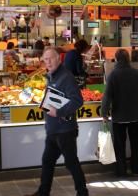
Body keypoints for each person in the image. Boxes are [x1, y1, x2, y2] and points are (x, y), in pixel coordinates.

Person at [26, 48, 88, 196]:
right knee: (47, 161)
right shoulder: (51, 76)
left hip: (65, 131)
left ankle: (82, 193)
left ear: (58, 59)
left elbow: (78, 101)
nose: (48, 62)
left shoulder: (66, 77)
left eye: (51, 59)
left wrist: (58, 112)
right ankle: (43, 192)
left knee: (71, 163)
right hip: (53, 130)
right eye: (45, 60)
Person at [101, 49, 138, 177]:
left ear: (116, 59)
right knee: (135, 144)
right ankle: (136, 170)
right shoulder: (135, 73)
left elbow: (107, 96)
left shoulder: (113, 75)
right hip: (135, 115)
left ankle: (121, 171)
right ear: (128, 59)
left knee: (120, 145)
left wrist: (104, 112)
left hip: (119, 116)